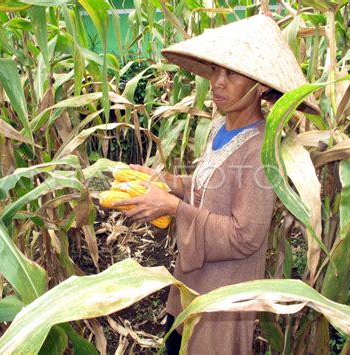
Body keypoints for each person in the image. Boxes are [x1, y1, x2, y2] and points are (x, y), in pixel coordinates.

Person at [113, 15, 320, 354]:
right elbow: (210, 184)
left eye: (231, 73)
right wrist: (167, 182)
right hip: (190, 281)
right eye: (214, 70)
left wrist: (172, 207)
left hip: (222, 294)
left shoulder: (261, 149)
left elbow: (245, 237)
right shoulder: (218, 129)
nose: (217, 83)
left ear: (260, 85)